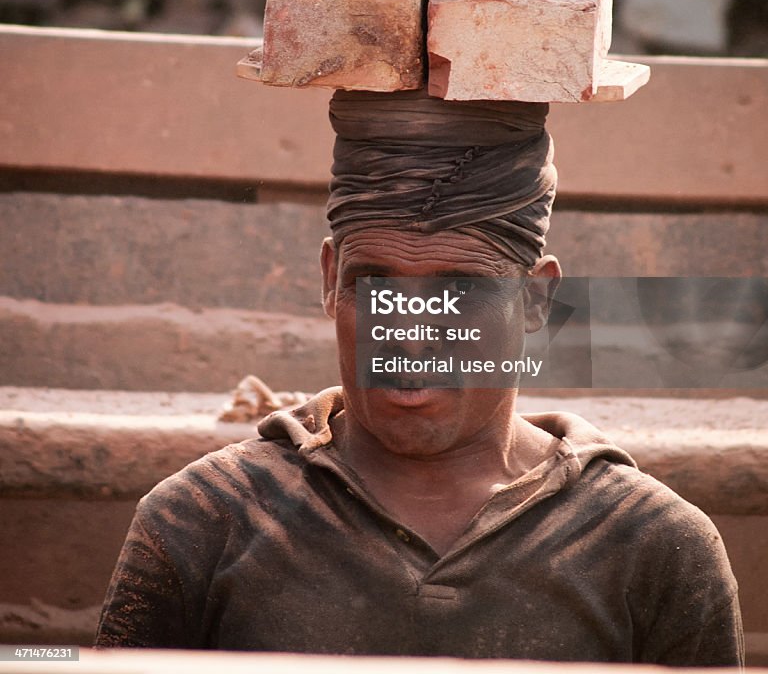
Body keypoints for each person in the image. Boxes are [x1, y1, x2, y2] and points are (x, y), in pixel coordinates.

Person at [95, 91, 743, 665]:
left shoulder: (654, 547)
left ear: (536, 302)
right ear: (330, 281)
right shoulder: (203, 522)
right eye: (373, 285)